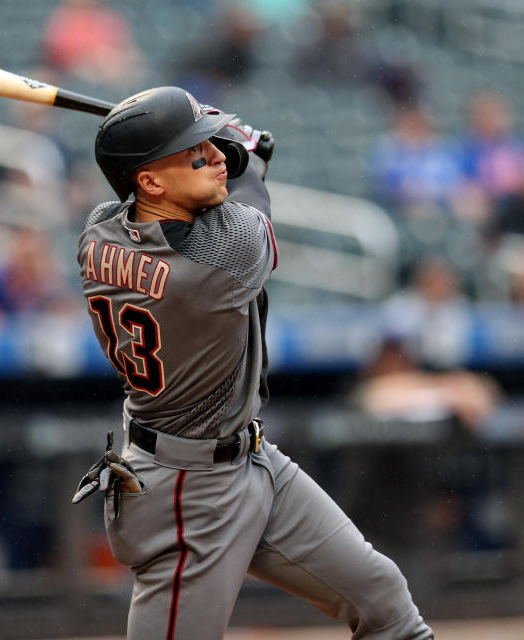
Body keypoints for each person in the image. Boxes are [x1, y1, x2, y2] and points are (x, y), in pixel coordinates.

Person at [74, 87, 433, 639]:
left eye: (210, 147)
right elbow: (246, 199)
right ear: (149, 181)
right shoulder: (218, 262)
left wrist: (206, 147)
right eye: (197, 153)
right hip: (184, 490)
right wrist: (244, 152)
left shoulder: (99, 228)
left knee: (384, 601)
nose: (214, 156)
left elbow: (205, 196)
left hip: (249, 460)